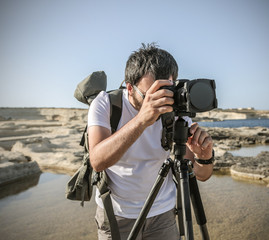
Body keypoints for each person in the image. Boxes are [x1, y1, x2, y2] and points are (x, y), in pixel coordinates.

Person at [88, 43, 214, 240]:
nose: (161, 102)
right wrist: (141, 120)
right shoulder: (106, 104)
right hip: (117, 214)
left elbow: (201, 175)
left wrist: (204, 158)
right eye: (152, 95)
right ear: (129, 87)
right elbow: (97, 161)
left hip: (162, 214)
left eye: (166, 92)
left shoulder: (175, 112)